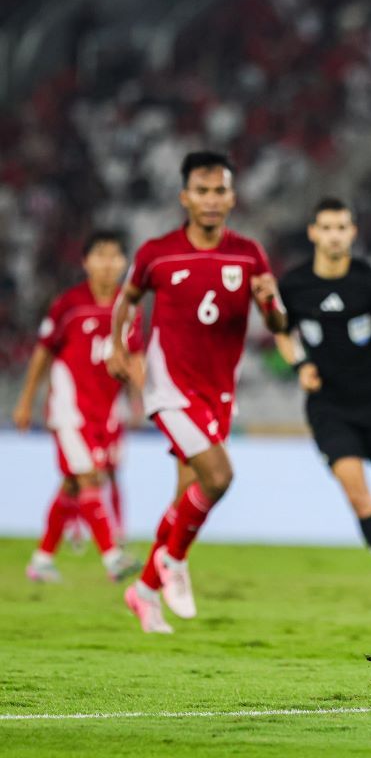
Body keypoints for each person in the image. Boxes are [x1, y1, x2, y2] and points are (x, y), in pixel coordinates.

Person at [108, 151, 287, 634]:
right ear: (185, 197)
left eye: (220, 191)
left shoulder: (248, 253)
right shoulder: (156, 252)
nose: (211, 200)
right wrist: (119, 348)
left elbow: (276, 321)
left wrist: (270, 303)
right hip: (169, 389)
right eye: (202, 191)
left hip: (218, 393)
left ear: (231, 196)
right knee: (219, 477)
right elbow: (127, 302)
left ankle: (143, 591)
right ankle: (175, 561)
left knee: (189, 492)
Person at [276, 197, 371, 611]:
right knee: (358, 496)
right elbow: (279, 331)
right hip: (328, 407)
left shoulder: (368, 281)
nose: (333, 235)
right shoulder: (292, 286)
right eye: (325, 227)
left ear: (352, 233)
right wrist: (300, 364)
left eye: (341, 227)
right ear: (313, 232)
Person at [13, 231, 143, 583]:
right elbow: (43, 352)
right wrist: (26, 400)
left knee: (73, 484)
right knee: (89, 477)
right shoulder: (69, 305)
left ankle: (41, 560)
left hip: (106, 409)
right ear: (85, 262)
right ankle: (113, 557)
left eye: (115, 256)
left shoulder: (128, 309)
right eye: (100, 256)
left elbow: (134, 358)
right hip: (70, 410)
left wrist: (137, 398)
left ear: (123, 263)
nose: (108, 263)